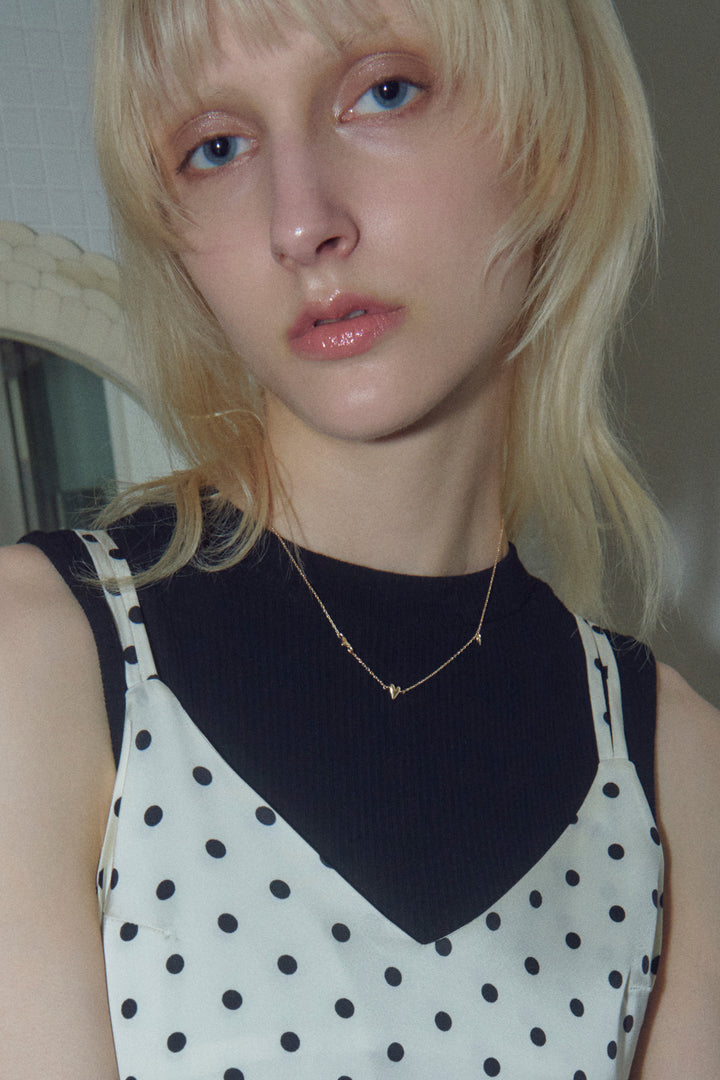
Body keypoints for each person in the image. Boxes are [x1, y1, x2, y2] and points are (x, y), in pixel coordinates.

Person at [1, 0, 718, 1077]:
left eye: (384, 92)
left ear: (554, 137)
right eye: (216, 148)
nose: (301, 224)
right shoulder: (34, 660)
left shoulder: (676, 768)